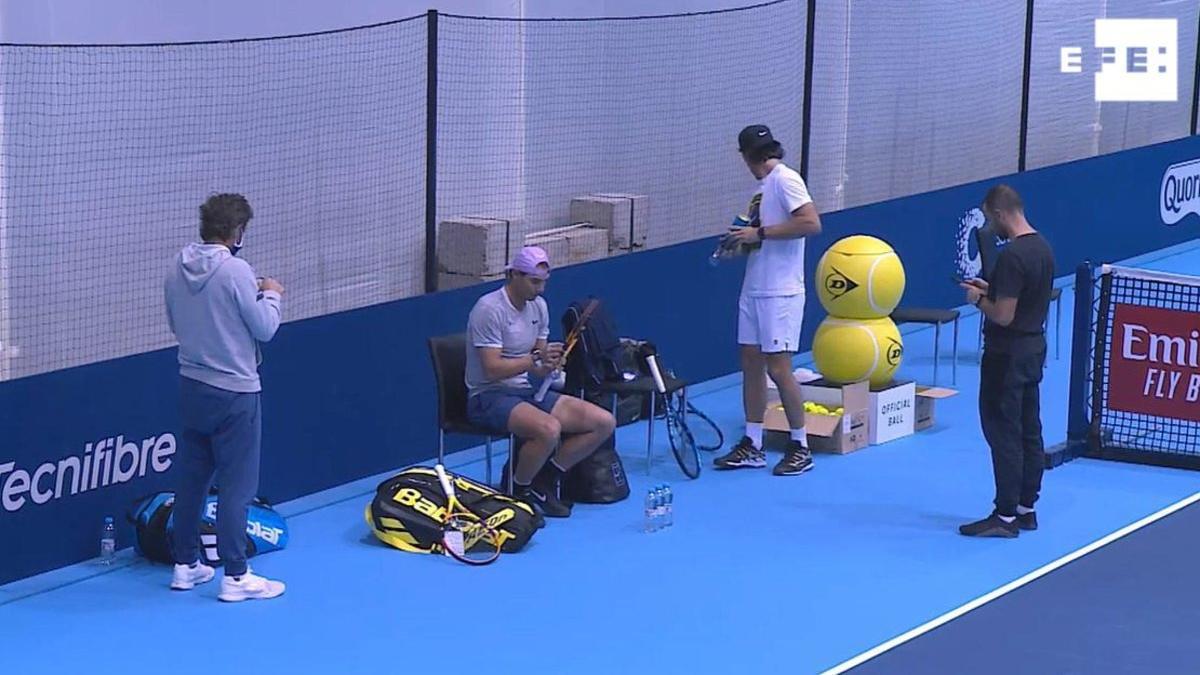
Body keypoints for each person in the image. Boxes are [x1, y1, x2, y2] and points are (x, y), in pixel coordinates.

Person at [163, 193, 286, 601]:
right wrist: (271, 294)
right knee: (237, 487)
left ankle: (185, 565)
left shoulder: (175, 268)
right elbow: (265, 328)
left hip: (191, 386)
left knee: (192, 480)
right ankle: (236, 576)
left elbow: (177, 324)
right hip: (235, 393)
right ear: (237, 232)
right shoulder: (236, 271)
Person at [464, 246, 617, 517]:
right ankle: (517, 492)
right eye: (535, 282)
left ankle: (544, 481)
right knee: (549, 429)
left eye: (544, 282)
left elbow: (539, 363)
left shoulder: (539, 307)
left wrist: (550, 364)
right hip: (488, 397)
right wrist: (534, 361)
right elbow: (491, 369)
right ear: (514, 275)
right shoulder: (488, 309)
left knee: (604, 422)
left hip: (524, 392)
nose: (541, 289)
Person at [714, 124, 823, 476]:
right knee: (751, 363)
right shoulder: (762, 190)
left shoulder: (786, 180)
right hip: (755, 288)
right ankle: (753, 444)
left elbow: (810, 223)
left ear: (746, 157)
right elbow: (764, 235)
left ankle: (800, 446)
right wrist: (743, 242)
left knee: (779, 368)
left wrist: (758, 232)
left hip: (781, 292)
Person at [959, 184, 1055, 538]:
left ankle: (1004, 516)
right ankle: (1025, 509)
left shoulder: (1013, 256)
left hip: (1006, 356)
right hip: (1033, 351)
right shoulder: (1042, 248)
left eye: (989, 218)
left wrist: (975, 299)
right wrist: (990, 287)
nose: (989, 226)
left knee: (1003, 433)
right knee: (1030, 428)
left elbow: (1002, 315)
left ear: (1000, 213)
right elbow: (1022, 298)